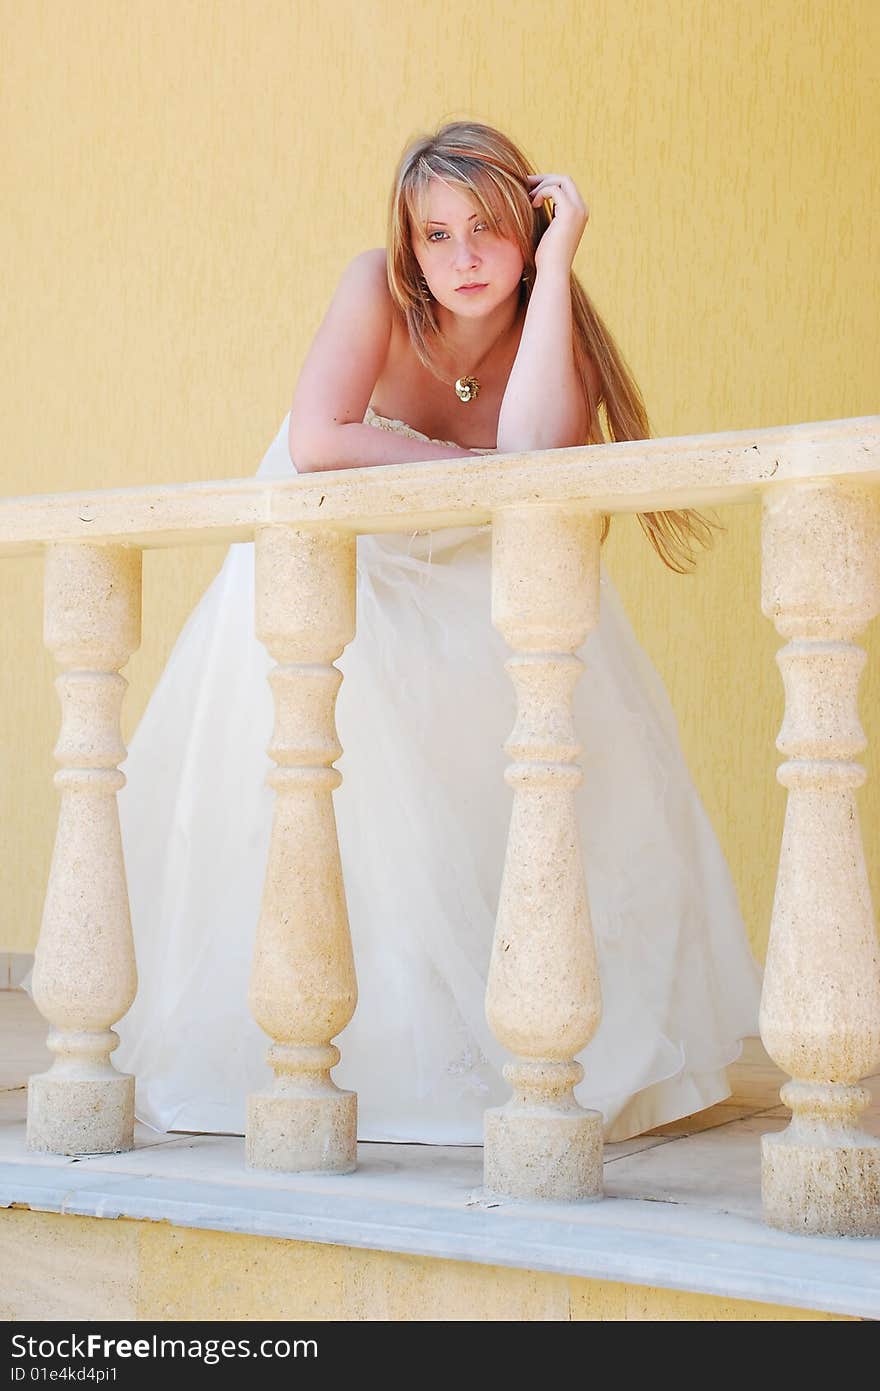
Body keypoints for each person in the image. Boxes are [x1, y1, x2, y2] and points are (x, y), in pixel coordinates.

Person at [111, 120, 762, 1144]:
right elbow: (318, 436)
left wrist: (558, 271)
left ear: (531, 228)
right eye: (437, 235)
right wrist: (463, 480)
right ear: (406, 244)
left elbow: (536, 456)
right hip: (348, 561)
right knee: (356, 733)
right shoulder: (373, 285)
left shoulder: (552, 321)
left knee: (548, 713)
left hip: (471, 571)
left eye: (490, 231)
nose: (461, 259)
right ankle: (370, 1034)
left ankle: (520, 1018)